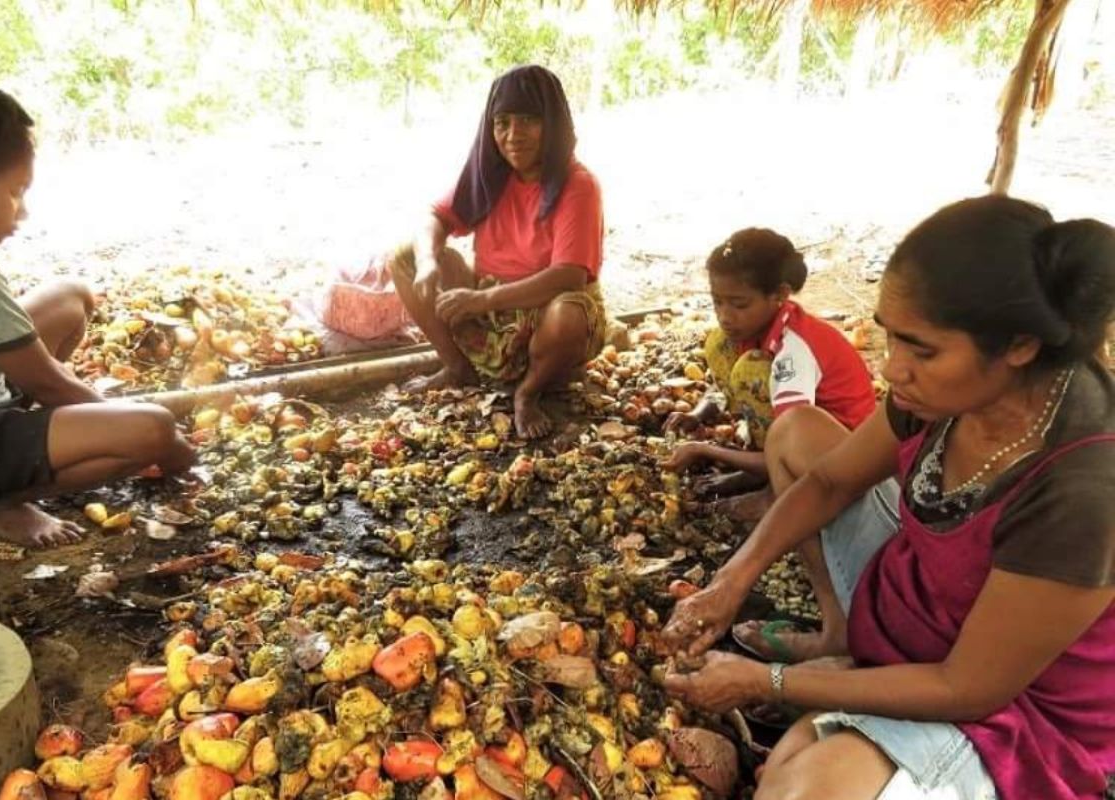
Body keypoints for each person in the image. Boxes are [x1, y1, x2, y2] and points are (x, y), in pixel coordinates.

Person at [659, 196, 1115, 800]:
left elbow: (968, 689)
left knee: (807, 785)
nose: (893, 369)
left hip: (1017, 712)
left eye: (921, 349)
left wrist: (767, 681)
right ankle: (843, 644)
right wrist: (731, 581)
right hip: (917, 614)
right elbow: (827, 480)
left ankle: (852, 704)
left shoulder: (1084, 489)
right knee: (798, 434)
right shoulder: (939, 394)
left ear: (1020, 346)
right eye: (890, 339)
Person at [0, 67, 196, 548]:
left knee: (70, 297)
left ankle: (31, 446)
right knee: (151, 429)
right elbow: (45, 380)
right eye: (14, 191)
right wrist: (173, 450)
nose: (21, 212)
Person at [662, 229, 875, 623]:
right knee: (719, 345)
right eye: (717, 302)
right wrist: (702, 412)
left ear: (778, 295)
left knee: (752, 372)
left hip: (841, 458)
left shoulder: (793, 350)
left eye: (739, 304)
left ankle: (773, 494)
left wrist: (706, 450)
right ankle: (762, 482)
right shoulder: (757, 329)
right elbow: (725, 384)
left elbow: (788, 439)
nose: (726, 315)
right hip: (800, 439)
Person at [391, 64, 605, 439]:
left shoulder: (578, 184)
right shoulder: (492, 174)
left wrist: (479, 299)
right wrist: (427, 262)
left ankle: (529, 391)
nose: (512, 135)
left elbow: (568, 275)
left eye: (527, 120)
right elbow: (434, 217)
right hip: (493, 315)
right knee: (404, 257)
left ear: (552, 123)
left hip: (545, 316)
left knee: (569, 313)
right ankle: (458, 368)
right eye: (502, 121)